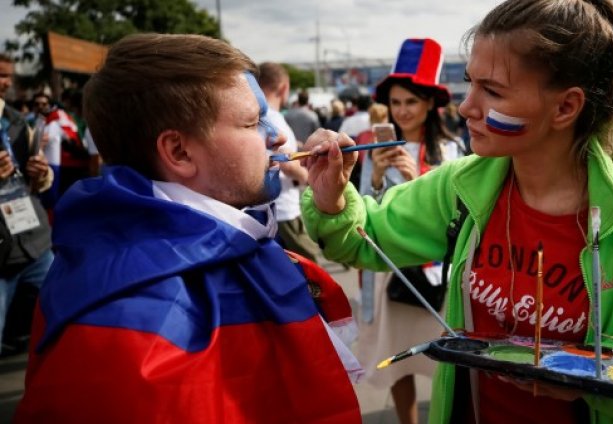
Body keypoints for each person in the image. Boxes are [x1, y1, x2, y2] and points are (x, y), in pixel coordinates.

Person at [299, 1, 613, 423]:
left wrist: (585, 373)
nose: (465, 107)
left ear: (566, 107)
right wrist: (331, 196)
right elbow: (363, 235)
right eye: (469, 83)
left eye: (492, 90)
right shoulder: (458, 187)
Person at [15, 34, 361, 423]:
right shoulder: (130, 330)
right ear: (179, 152)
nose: (278, 136)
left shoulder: (229, 244)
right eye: (252, 122)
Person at [356, 38, 464, 424]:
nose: (402, 111)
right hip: (389, 272)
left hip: (438, 274)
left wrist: (415, 179)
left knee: (444, 361)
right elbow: (363, 209)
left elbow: (458, 214)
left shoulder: (452, 153)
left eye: (411, 102)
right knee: (395, 358)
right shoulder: (372, 150)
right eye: (396, 102)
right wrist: (380, 176)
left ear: (430, 103)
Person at [0, 53, 54, 356]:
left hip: (35, 245)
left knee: (54, 322)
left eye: (7, 76)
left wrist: (42, 173)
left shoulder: (18, 122)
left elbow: (37, 182)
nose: (4, 83)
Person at [258, 62, 321, 262]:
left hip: (267, 208)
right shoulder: (274, 119)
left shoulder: (258, 116)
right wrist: (310, 179)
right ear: (284, 87)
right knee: (312, 268)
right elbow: (285, 161)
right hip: (283, 209)